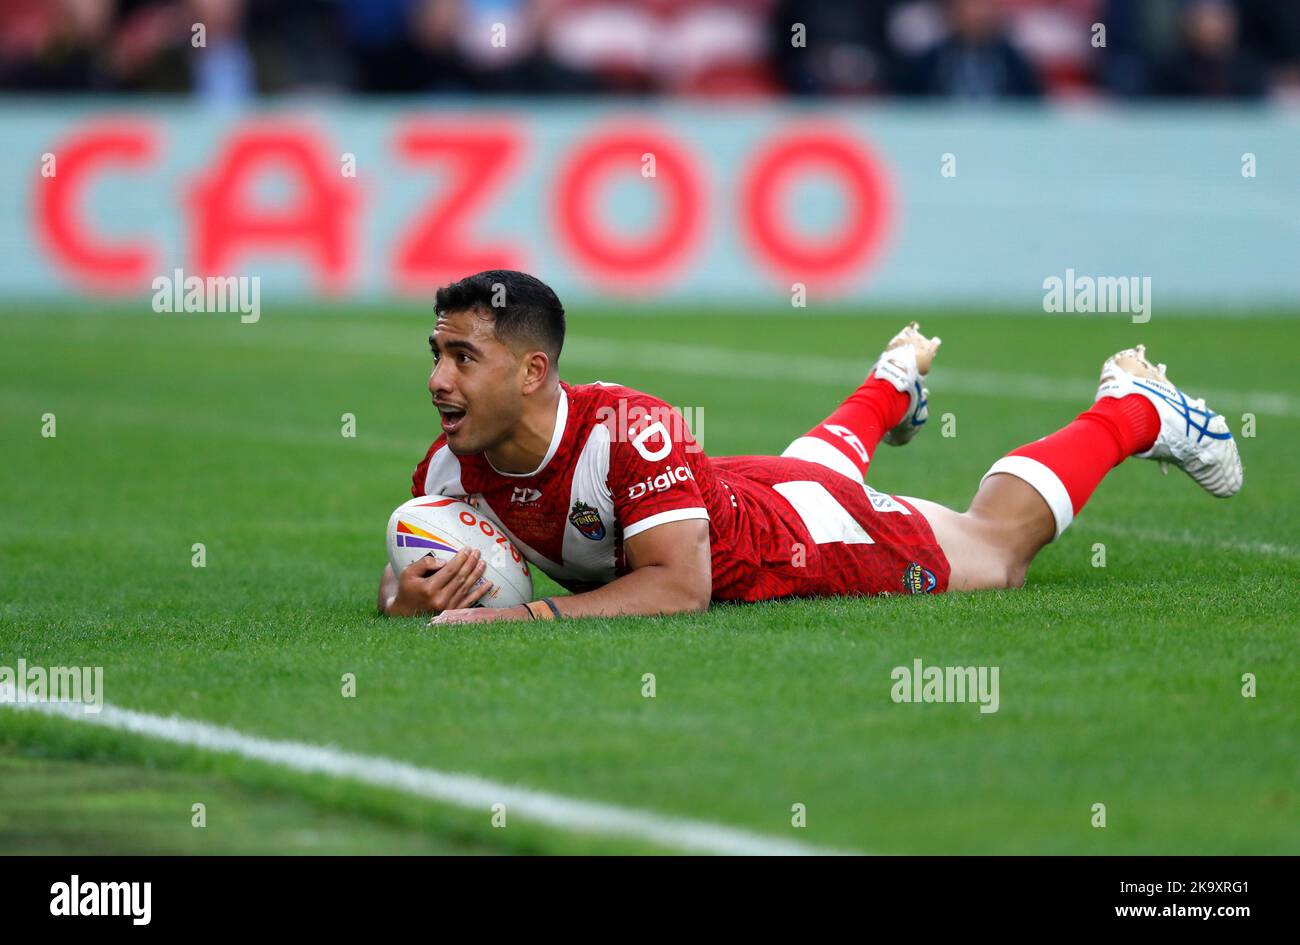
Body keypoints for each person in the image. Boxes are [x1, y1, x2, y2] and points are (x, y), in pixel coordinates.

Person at [377, 270, 1242, 624]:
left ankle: (1135, 409)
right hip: (734, 494)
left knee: (994, 549)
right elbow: (412, 562)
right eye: (437, 354)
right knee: (811, 468)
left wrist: (515, 620)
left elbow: (681, 587)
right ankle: (893, 380)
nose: (439, 381)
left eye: (464, 357)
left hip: (787, 543)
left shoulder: (632, 430)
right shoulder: (451, 465)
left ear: (533, 371)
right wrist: (405, 598)